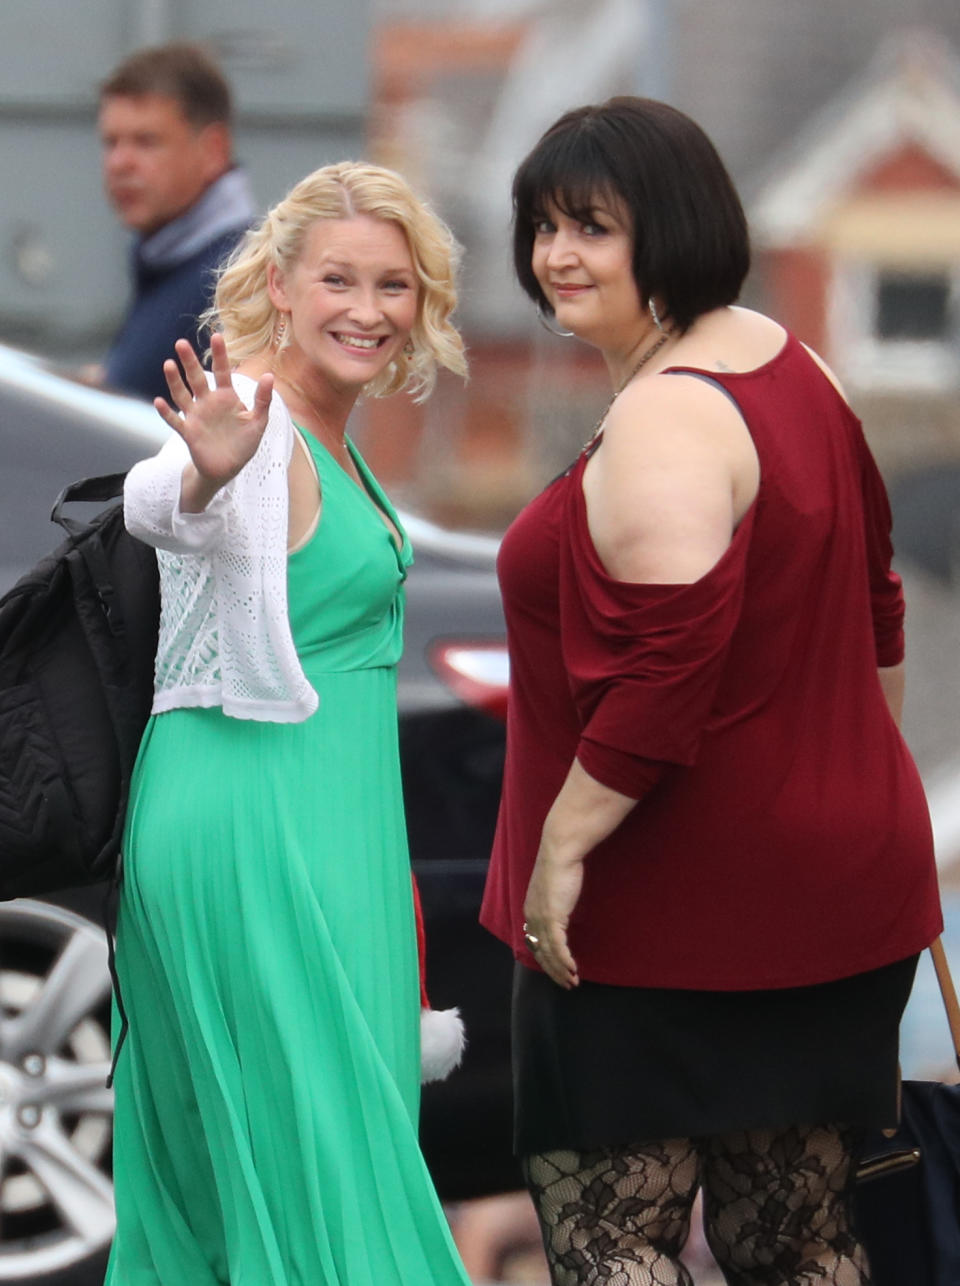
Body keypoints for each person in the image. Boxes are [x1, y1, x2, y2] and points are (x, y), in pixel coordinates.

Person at [479, 96, 942, 1285]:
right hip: (833, 892)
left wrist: (561, 852)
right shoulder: (799, 366)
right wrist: (842, 786)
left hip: (660, 910)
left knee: (609, 1242)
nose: (555, 257)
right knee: (797, 1243)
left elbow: (661, 677)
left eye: (592, 228)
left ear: (675, 229)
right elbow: (875, 612)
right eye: (541, 227)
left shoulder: (672, 416)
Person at [107, 160, 472, 1285]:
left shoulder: (338, 432)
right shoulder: (256, 422)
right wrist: (206, 477)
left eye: (395, 285)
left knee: (289, 1155)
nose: (367, 309)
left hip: (324, 828)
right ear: (280, 280)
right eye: (339, 280)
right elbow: (160, 498)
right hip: (255, 827)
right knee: (319, 1154)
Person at [97, 42, 255, 401]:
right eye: (110, 143)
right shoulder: (167, 258)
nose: (120, 163)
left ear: (213, 150)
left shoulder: (237, 283)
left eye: (146, 141)